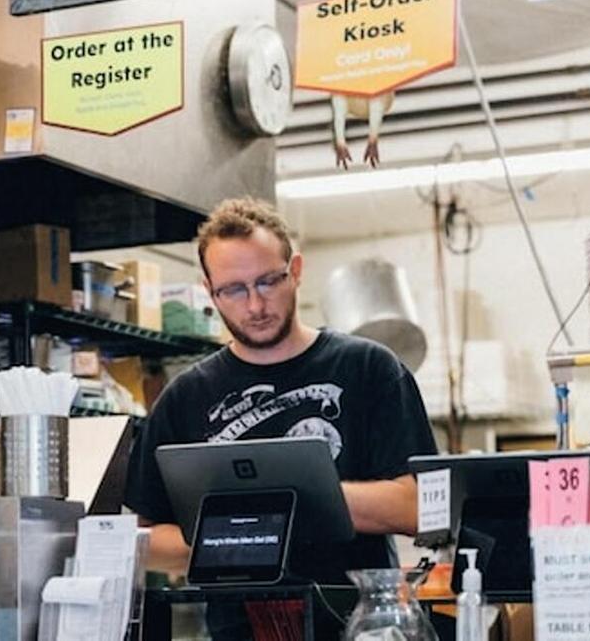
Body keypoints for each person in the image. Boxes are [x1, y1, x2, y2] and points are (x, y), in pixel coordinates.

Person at [124, 197, 438, 633]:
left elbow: (419, 507)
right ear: (209, 290)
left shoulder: (369, 369)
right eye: (233, 290)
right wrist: (237, 534)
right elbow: (141, 539)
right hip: (239, 629)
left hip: (358, 627)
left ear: (296, 270)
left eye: (268, 281)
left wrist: (286, 501)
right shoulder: (186, 397)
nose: (254, 305)